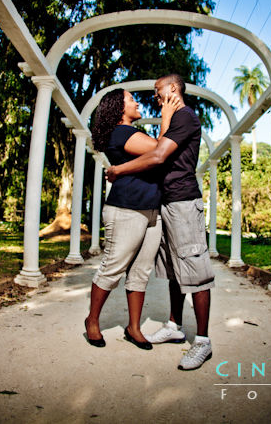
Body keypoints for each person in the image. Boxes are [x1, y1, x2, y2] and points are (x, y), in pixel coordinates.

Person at [105, 73, 214, 371]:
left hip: (182, 201)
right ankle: (174, 326)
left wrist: (118, 171)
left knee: (195, 269)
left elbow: (158, 157)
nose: (154, 96)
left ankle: (203, 341)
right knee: (175, 271)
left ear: (173, 89)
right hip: (166, 201)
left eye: (157, 91)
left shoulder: (186, 117)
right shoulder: (172, 117)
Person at [85, 88, 179, 350]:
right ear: (117, 107)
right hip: (126, 209)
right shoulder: (121, 132)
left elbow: (156, 157)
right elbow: (162, 150)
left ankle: (133, 328)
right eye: (130, 99)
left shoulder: (131, 133)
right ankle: (92, 321)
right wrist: (166, 115)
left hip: (151, 209)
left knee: (140, 272)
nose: (136, 102)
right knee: (113, 267)